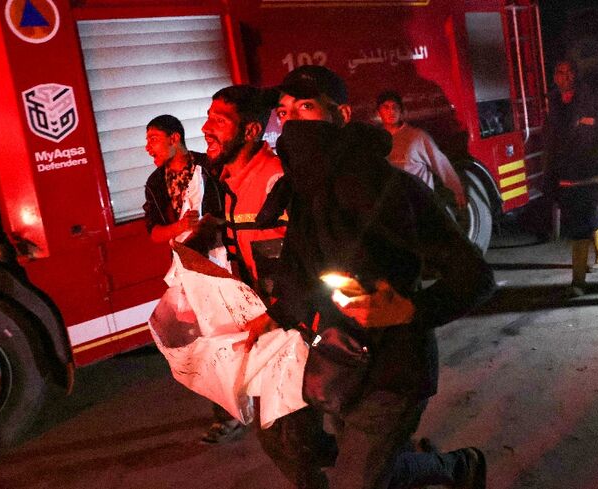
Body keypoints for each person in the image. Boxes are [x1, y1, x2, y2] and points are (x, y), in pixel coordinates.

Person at [248, 65, 495, 489]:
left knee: (358, 478)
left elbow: (475, 275)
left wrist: (410, 310)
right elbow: (301, 268)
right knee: (354, 463)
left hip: (393, 372)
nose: (290, 122)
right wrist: (275, 315)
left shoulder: (387, 189)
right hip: (335, 366)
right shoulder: (305, 192)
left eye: (305, 107)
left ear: (341, 115)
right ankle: (449, 468)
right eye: (284, 113)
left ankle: (457, 467)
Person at [141, 114, 243, 444]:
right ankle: (227, 414)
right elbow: (156, 233)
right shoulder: (155, 183)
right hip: (189, 272)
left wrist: (207, 226)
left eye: (153, 139)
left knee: (239, 335)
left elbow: (232, 208)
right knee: (207, 342)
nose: (147, 148)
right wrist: (183, 227)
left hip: (225, 263)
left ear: (175, 138)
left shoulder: (209, 166)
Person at [202, 85, 287, 296]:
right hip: (262, 318)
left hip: (293, 325)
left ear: (251, 131)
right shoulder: (227, 182)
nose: (205, 128)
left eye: (220, 121)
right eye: (208, 118)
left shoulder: (278, 181)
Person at [543, 60, 598, 295]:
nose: (560, 77)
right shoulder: (553, 99)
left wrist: (585, 123)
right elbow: (554, 135)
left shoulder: (588, 96)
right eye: (558, 72)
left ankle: (578, 282)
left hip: (592, 167)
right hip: (567, 170)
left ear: (574, 75)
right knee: (583, 215)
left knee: (580, 221)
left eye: (566, 72)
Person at [376, 90, 467, 211]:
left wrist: (457, 189)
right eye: (386, 107)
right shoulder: (376, 140)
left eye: (395, 107)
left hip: (421, 202)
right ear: (378, 112)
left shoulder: (417, 137)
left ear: (401, 111)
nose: (391, 111)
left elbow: (440, 163)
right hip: (396, 205)